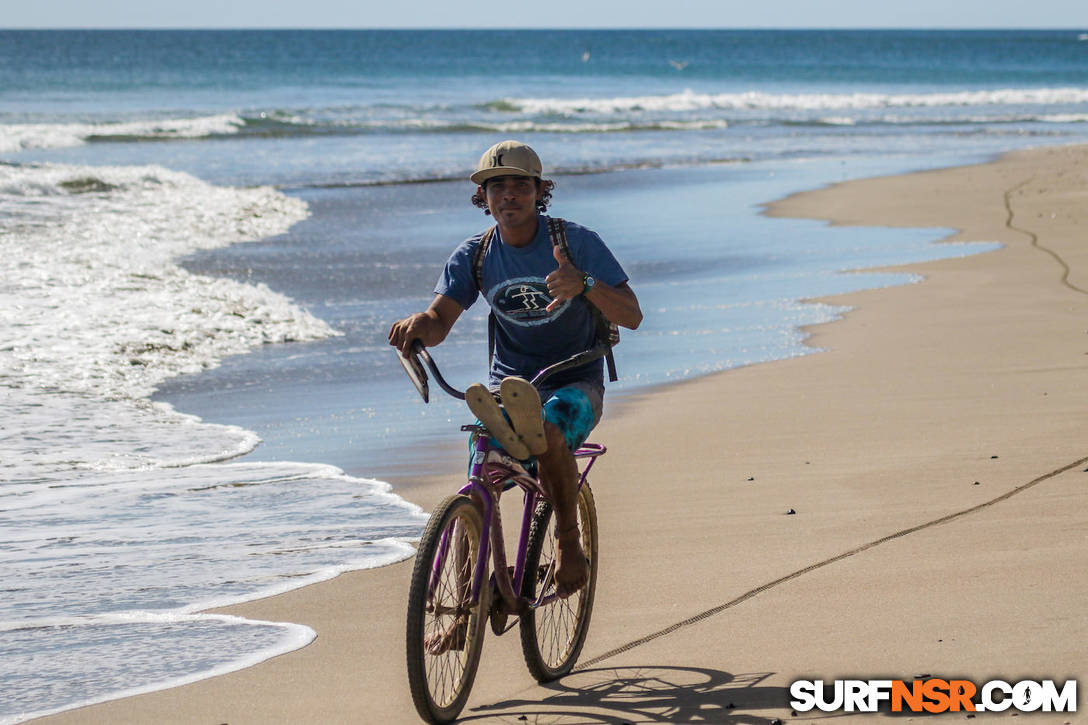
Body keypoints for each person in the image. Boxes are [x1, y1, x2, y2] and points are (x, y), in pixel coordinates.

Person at [389, 140, 642, 609]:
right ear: (483, 197)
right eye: (497, 185)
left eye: (520, 185)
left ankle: (569, 547)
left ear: (540, 190)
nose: (509, 194)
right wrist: (417, 326)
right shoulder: (475, 255)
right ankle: (463, 603)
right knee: (480, 477)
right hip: (507, 387)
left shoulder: (574, 243)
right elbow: (439, 320)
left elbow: (632, 314)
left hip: (575, 380)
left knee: (547, 427)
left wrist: (584, 284)